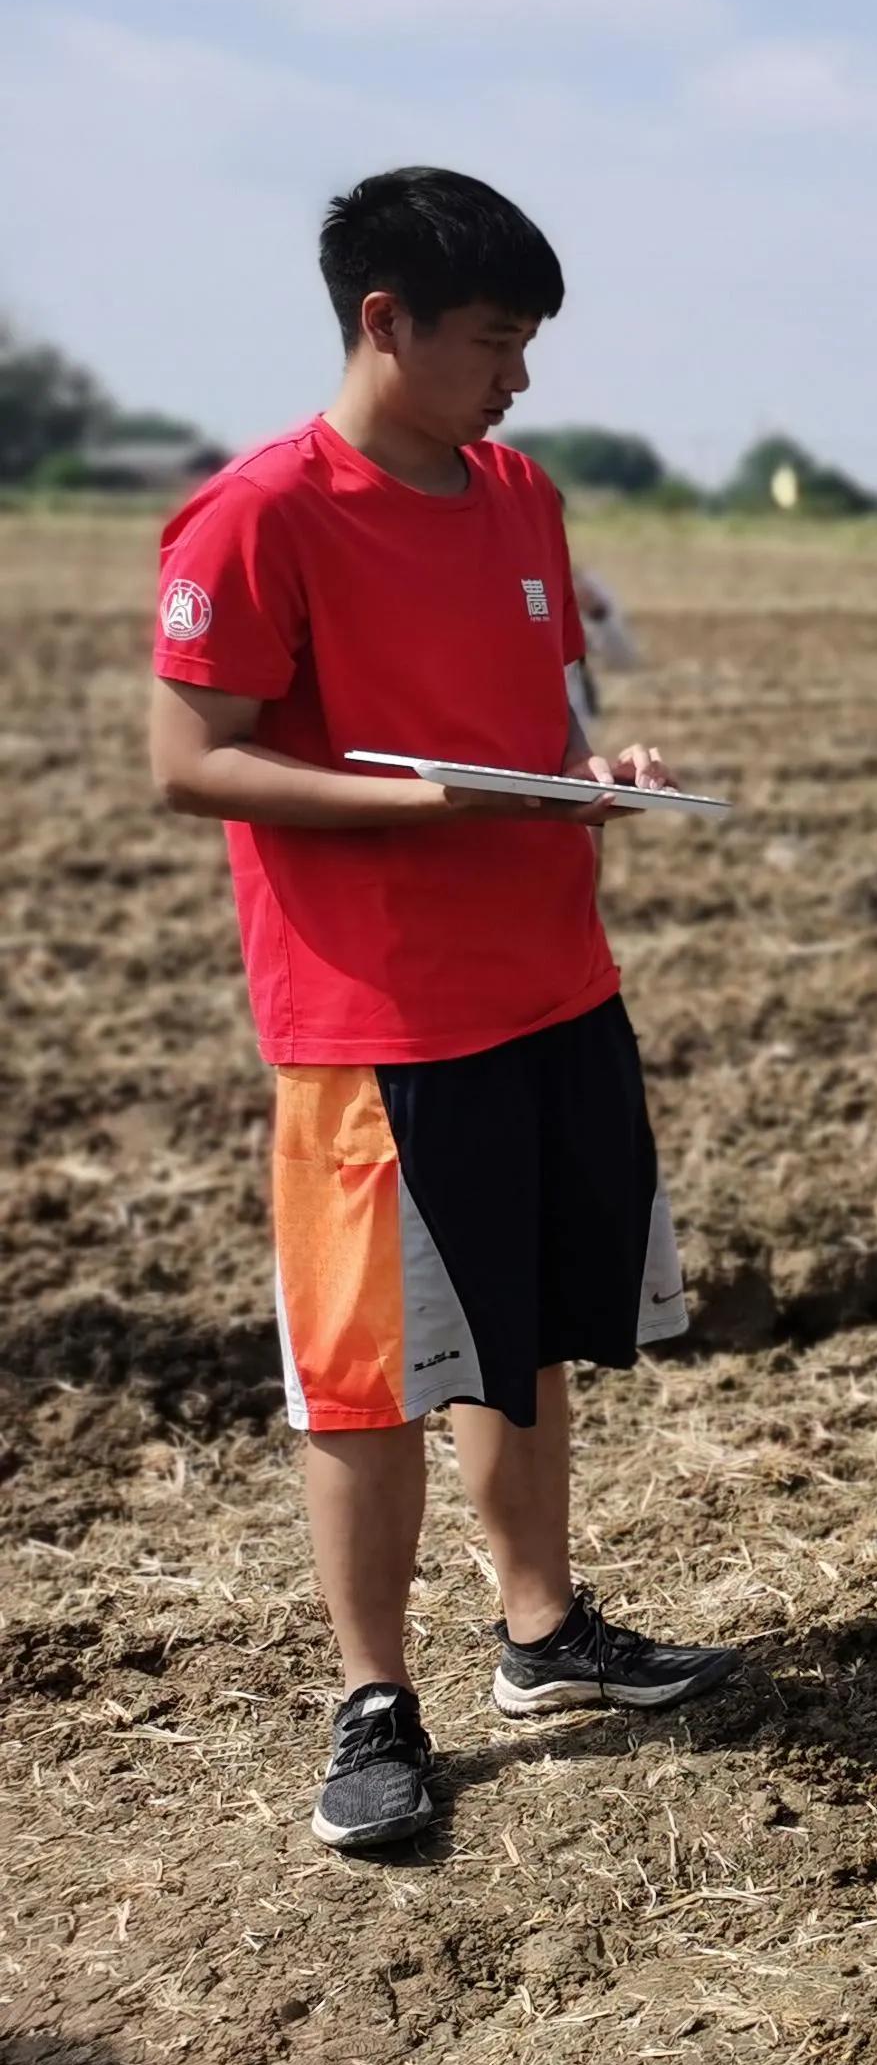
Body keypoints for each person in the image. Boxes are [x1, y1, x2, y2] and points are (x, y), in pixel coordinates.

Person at [143, 167, 737, 1857]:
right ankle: (375, 1701)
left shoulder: (520, 495)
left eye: (532, 344)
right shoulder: (259, 516)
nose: (519, 380)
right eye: (495, 341)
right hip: (375, 1017)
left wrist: (591, 778)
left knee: (524, 1329)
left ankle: (545, 1633)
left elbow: (546, 729)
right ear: (382, 321)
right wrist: (431, 811)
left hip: (551, 979)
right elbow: (193, 763)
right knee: (366, 1377)